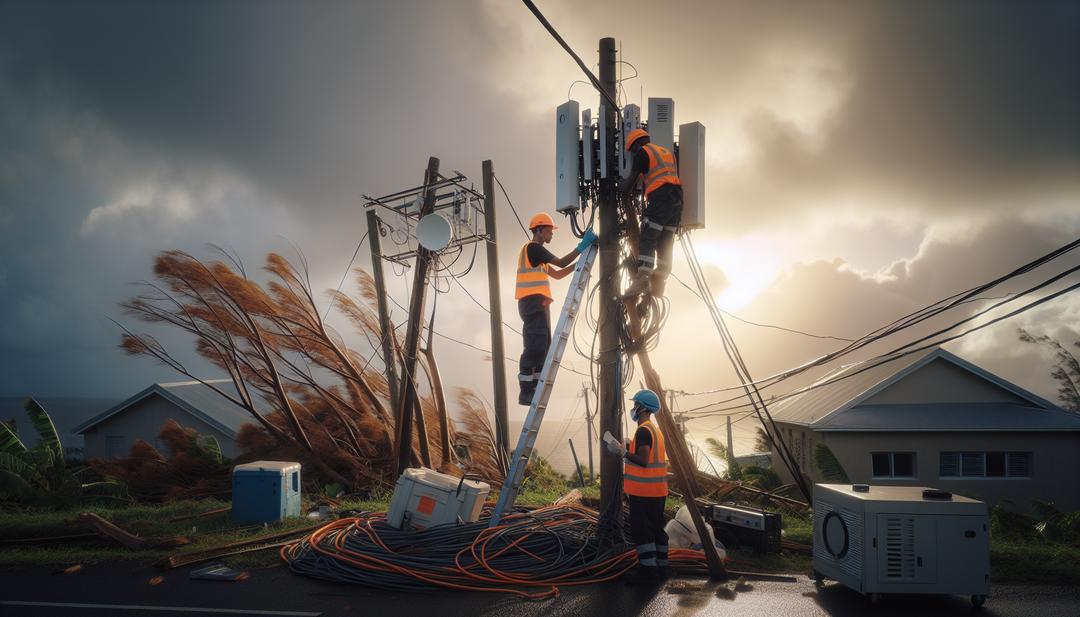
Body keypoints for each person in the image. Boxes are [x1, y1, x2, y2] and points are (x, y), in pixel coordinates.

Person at [516, 213, 596, 405]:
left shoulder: (539, 258)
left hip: (539, 304)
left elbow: (559, 274)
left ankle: (534, 387)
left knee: (543, 346)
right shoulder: (533, 248)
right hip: (532, 303)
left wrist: (580, 266)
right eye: (549, 231)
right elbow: (561, 262)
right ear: (539, 230)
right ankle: (525, 390)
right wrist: (581, 246)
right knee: (535, 345)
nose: (552, 234)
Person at [605, 389, 669, 584]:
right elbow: (647, 453)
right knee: (657, 529)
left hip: (644, 493)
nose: (633, 408)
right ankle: (661, 569)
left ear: (642, 408)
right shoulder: (654, 430)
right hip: (658, 491)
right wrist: (629, 445)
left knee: (642, 530)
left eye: (635, 405)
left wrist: (622, 452)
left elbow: (643, 460)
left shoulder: (643, 430)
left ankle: (648, 572)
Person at [618, 128, 683, 298]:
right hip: (676, 200)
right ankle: (660, 280)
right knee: (665, 239)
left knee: (648, 236)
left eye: (632, 150)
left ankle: (643, 278)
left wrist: (618, 184)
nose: (633, 153)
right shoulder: (667, 152)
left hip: (660, 198)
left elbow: (629, 183)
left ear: (636, 144)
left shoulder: (642, 152)